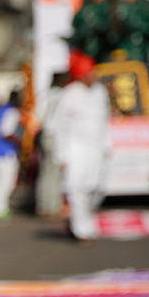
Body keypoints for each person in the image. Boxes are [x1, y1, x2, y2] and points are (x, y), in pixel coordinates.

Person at [53, 51, 112, 241]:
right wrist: (63, 155)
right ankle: (82, 230)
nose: (94, 76)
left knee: (97, 189)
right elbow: (60, 127)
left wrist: (107, 144)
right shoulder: (69, 95)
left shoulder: (99, 92)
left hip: (97, 150)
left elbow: (105, 121)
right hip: (76, 151)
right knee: (77, 190)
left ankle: (80, 221)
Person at [36, 72, 69, 217]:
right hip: (55, 135)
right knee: (54, 173)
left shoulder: (46, 94)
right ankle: (52, 207)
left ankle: (43, 205)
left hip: (45, 133)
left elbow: (39, 115)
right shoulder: (63, 95)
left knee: (46, 171)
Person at [0, 89, 22, 220]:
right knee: (5, 182)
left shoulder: (1, 109)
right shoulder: (11, 111)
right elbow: (6, 132)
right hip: (6, 151)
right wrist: (20, 141)